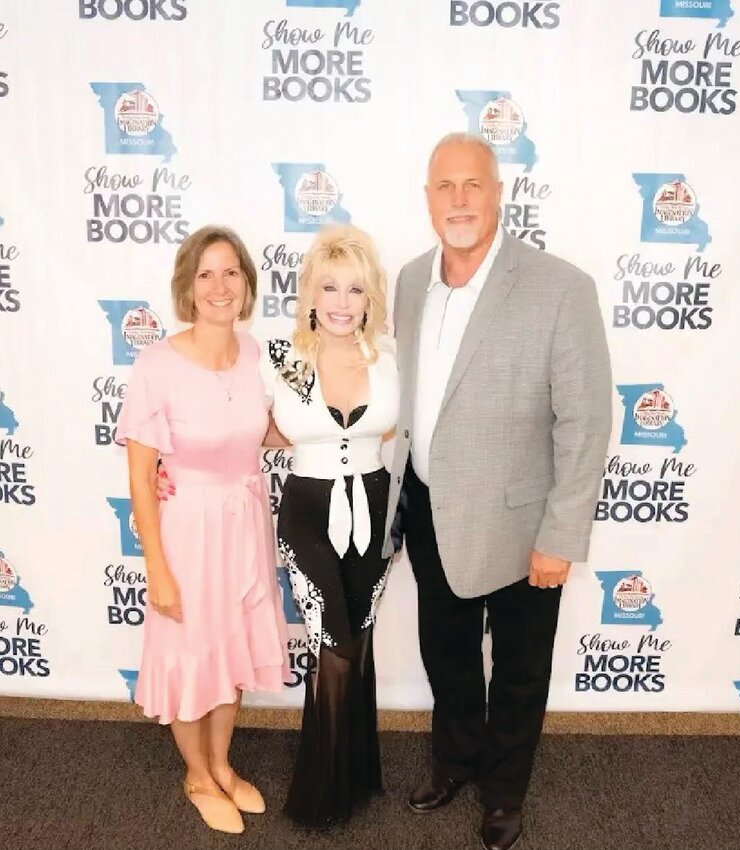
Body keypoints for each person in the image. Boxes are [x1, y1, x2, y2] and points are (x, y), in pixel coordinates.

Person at [382, 133, 612, 850]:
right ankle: (455, 762)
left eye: (472, 184)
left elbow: (586, 419)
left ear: (498, 193)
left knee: (518, 668)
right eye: (444, 186)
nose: (458, 200)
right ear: (426, 200)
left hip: (523, 524)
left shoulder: (560, 287)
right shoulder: (410, 281)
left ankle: (504, 793)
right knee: (445, 653)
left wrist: (561, 534)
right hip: (428, 507)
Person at [116, 225, 290, 835]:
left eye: (231, 272)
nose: (220, 286)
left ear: (247, 284)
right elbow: (141, 477)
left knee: (230, 652)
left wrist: (337, 417)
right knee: (191, 656)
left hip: (244, 526)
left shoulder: (257, 353)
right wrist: (156, 568)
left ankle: (221, 762)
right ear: (188, 288)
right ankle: (196, 774)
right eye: (206, 274)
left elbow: (269, 432)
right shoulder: (157, 364)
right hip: (187, 533)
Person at [268, 224, 399, 827]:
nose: (343, 303)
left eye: (355, 290)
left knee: (360, 643)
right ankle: (322, 790)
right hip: (310, 514)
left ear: (370, 298)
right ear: (311, 296)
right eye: (330, 288)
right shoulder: (290, 360)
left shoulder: (387, 359)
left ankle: (357, 773)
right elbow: (257, 429)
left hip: (373, 508)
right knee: (334, 646)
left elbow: (391, 431)